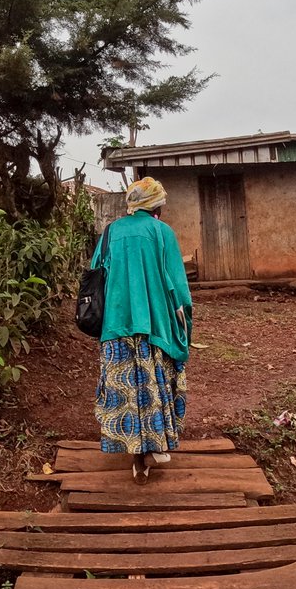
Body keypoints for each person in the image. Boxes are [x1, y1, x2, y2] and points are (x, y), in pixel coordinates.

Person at [92, 176, 192, 483]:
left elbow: (96, 273)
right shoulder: (162, 233)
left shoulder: (111, 232)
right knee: (153, 389)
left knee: (128, 393)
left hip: (116, 325)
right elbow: (179, 287)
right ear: (156, 206)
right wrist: (184, 323)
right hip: (155, 325)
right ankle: (154, 447)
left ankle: (137, 458)